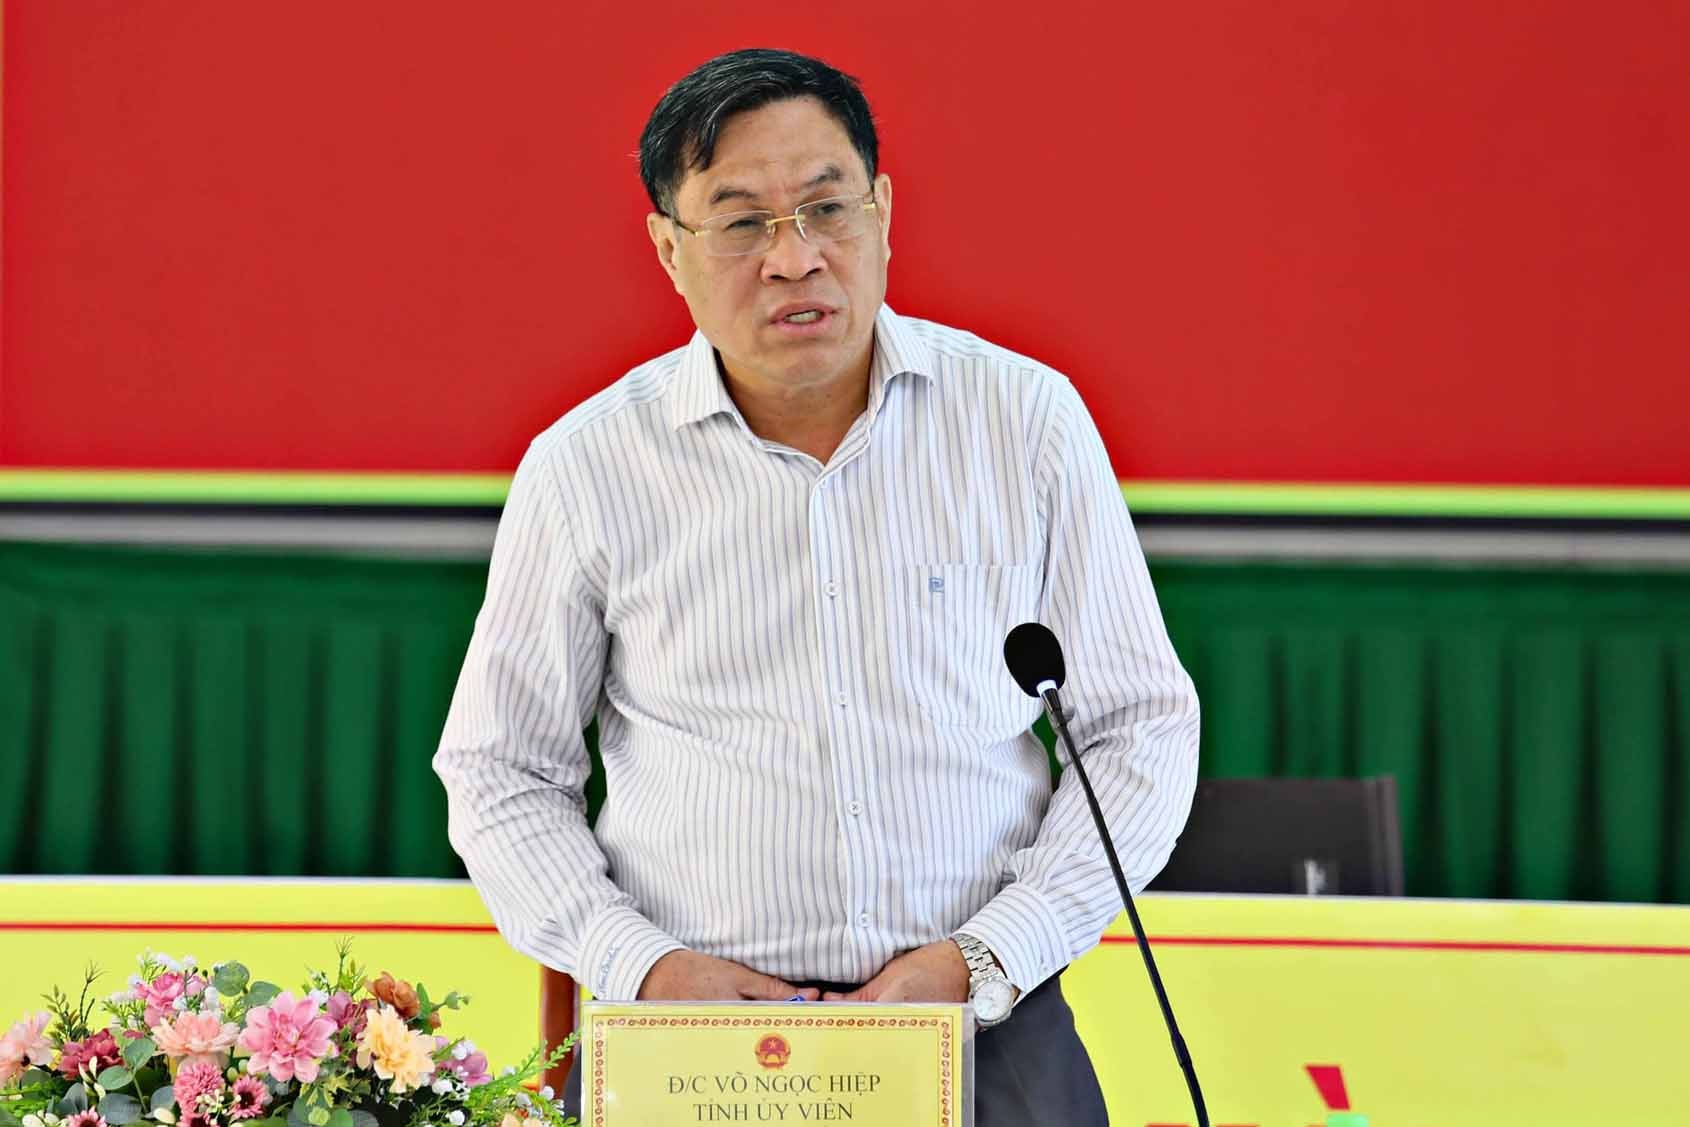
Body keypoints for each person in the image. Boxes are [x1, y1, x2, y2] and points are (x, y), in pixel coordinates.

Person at [433, 48, 1200, 1125]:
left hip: (985, 1025)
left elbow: (1137, 727)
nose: (794, 259)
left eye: (827, 209)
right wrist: (640, 965)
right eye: (742, 222)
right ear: (668, 248)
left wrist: (993, 951)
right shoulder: (588, 466)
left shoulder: (1023, 423)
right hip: (691, 1046)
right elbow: (502, 768)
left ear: (883, 213)